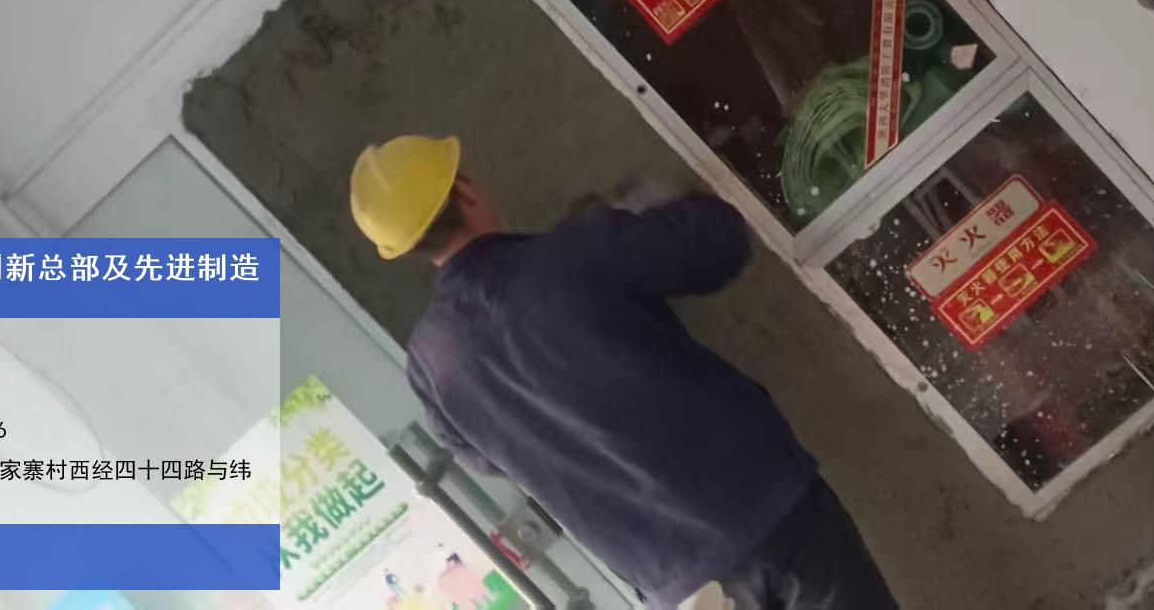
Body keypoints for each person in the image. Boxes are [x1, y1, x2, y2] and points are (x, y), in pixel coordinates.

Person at [349, 135, 899, 610]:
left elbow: (487, 458)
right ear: (466, 190)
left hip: (679, 582)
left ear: (406, 248)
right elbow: (718, 245)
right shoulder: (569, 256)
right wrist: (646, 214)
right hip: (765, 510)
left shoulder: (431, 365)